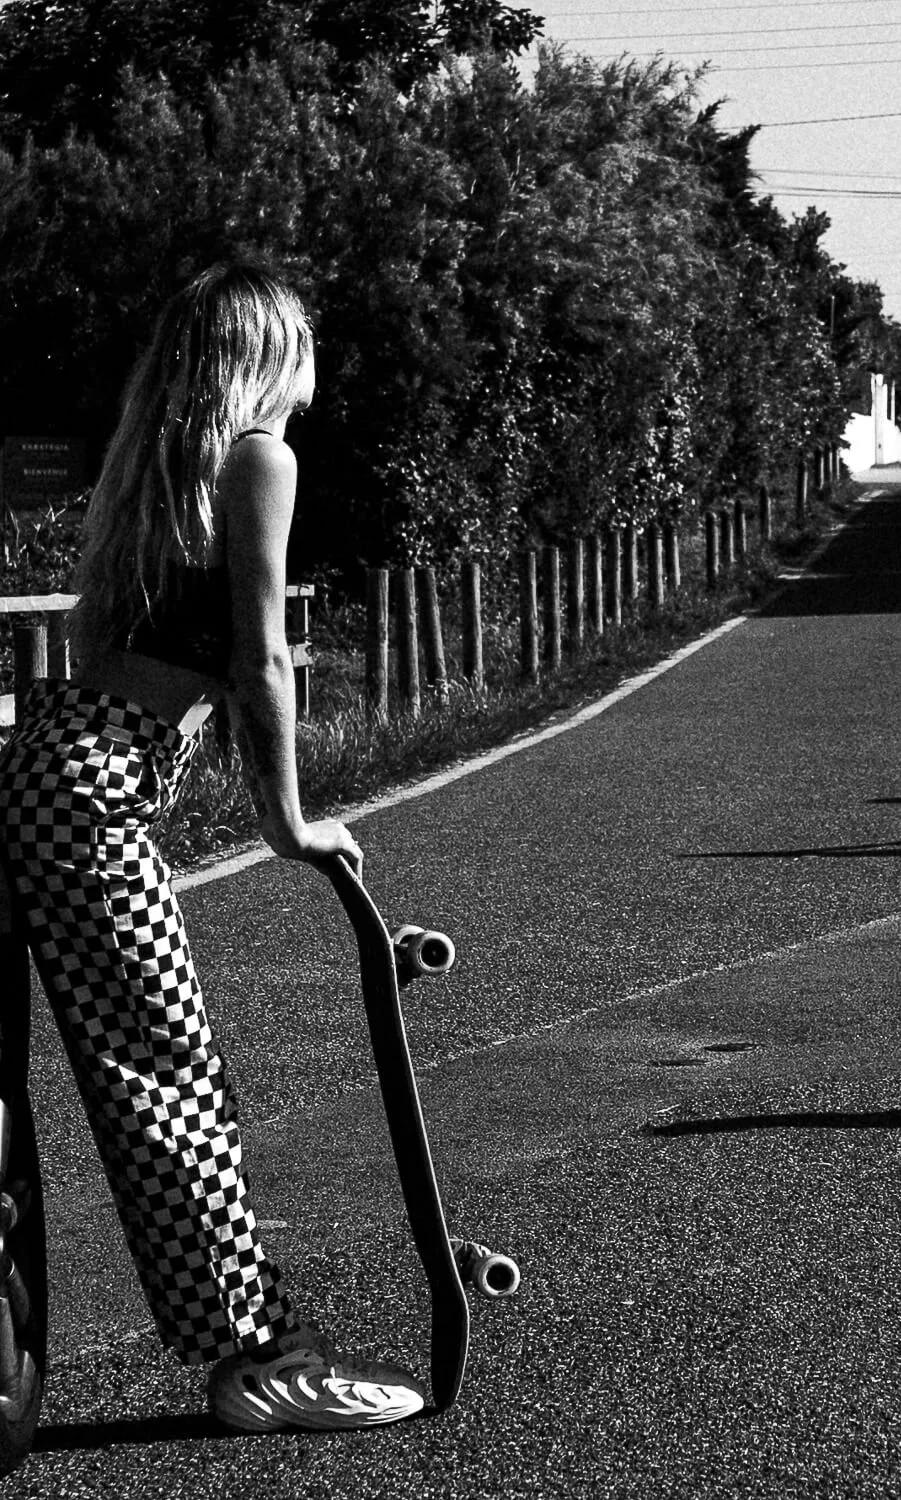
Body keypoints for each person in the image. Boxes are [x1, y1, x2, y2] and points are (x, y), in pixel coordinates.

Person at [0, 264, 425, 1431]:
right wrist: (288, 822)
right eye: (300, 341)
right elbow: (263, 659)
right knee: (171, 1080)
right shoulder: (257, 459)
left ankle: (247, 1343)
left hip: (59, 771)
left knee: (159, 1074)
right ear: (267, 352)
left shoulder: (161, 470)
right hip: (92, 793)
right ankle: (260, 1361)